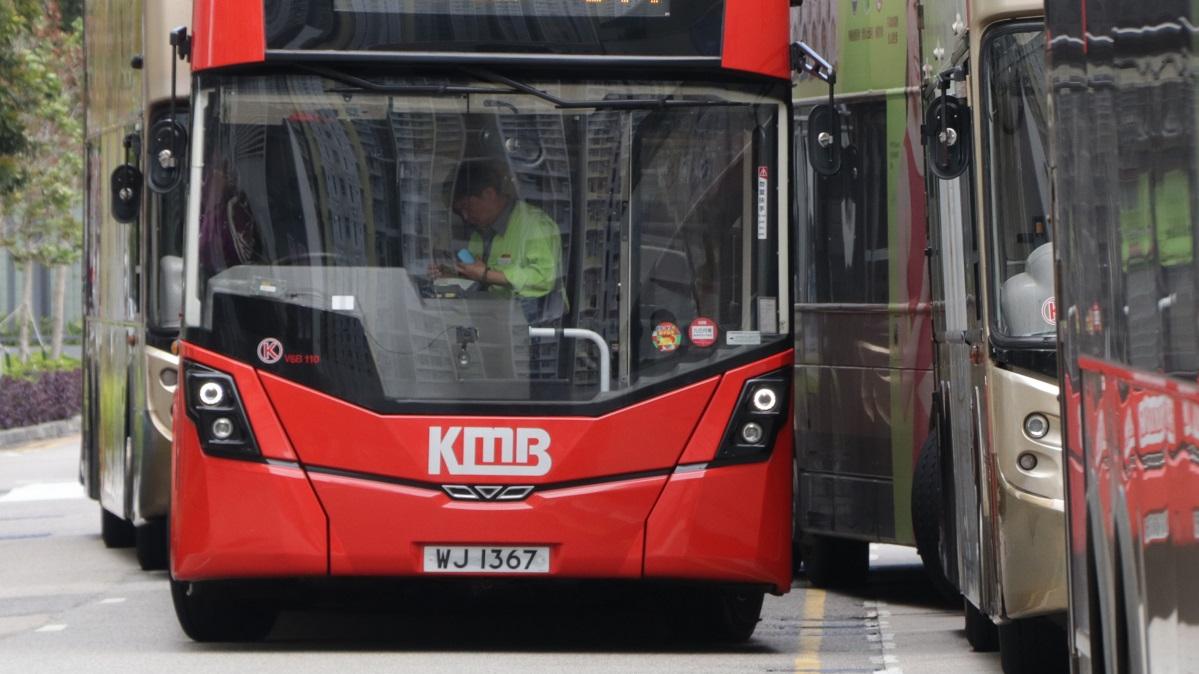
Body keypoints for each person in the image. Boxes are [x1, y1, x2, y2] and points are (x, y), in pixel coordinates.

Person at [442, 160, 565, 325]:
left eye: (467, 207)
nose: (465, 217)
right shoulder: (479, 233)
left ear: (489, 194)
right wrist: (453, 275)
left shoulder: (534, 224)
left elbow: (544, 278)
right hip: (496, 315)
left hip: (536, 321)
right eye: (460, 212)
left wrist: (488, 275)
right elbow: (479, 279)